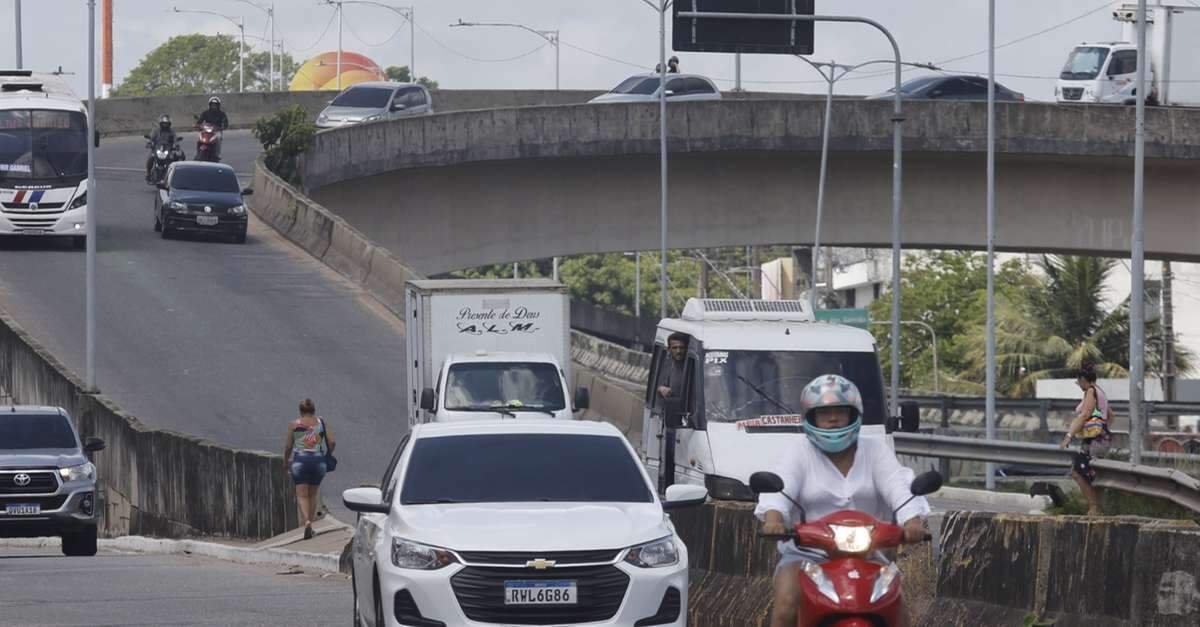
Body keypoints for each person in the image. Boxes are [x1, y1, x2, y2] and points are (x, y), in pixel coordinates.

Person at [756, 374, 930, 627]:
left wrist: (913, 523)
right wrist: (774, 520)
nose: (833, 418)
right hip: (808, 554)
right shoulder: (799, 452)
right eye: (824, 413)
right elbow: (781, 487)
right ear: (811, 417)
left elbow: (898, 487)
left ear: (853, 414)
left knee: (898, 607)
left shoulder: (875, 450)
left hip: (869, 553)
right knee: (786, 602)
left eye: (840, 411)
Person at [1059, 362, 1111, 516]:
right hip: (1102, 438)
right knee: (1093, 474)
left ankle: (1094, 507)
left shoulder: (1090, 392)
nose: (1079, 385)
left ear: (1083, 380)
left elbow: (1084, 415)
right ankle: (1097, 508)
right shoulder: (1100, 392)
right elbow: (1110, 414)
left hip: (1095, 440)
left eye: (1079, 381)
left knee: (1078, 472)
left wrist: (1069, 436)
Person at [283, 398, 336, 540]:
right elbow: (332, 442)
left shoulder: (294, 425)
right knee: (312, 495)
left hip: (300, 461)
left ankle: (306, 522)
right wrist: (328, 454)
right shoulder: (321, 422)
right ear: (314, 410)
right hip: (318, 461)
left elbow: (288, 446)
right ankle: (311, 524)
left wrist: (285, 461)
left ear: (300, 411)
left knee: (302, 495)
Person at [656, 332, 688, 402]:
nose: (678, 351)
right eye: (675, 348)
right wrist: (662, 389)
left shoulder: (691, 369)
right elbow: (660, 386)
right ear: (669, 349)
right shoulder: (669, 367)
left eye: (681, 347)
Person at [145, 115, 177, 181]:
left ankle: (175, 175)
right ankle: (148, 173)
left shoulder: (172, 131)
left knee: (175, 158)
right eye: (163, 123)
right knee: (151, 157)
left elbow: (175, 139)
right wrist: (149, 143)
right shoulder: (156, 130)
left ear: (169, 124)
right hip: (157, 148)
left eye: (166, 123)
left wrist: (176, 145)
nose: (165, 125)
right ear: (160, 123)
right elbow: (151, 138)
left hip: (168, 149)